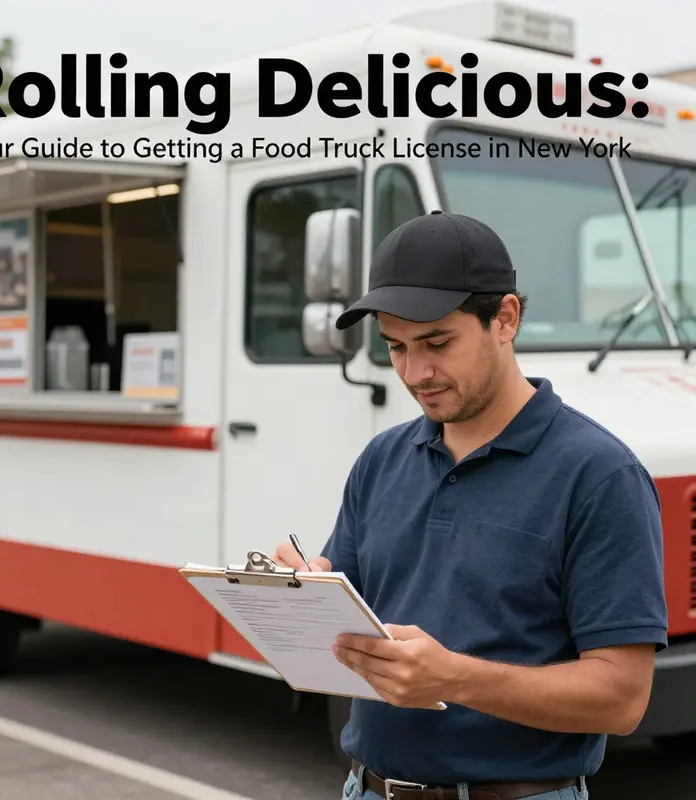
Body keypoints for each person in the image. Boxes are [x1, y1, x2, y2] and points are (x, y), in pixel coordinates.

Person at [274, 211, 667, 800]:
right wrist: (302, 597)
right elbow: (349, 637)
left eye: (436, 343)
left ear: (504, 319)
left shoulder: (600, 476)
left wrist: (454, 678)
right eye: (396, 347)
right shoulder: (381, 459)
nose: (414, 373)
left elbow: (622, 699)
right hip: (367, 789)